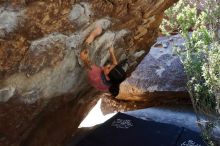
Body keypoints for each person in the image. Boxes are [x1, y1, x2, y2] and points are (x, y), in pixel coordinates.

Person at [80, 26, 127, 96]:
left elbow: (83, 55)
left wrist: (93, 34)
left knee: (87, 55)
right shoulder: (113, 80)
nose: (108, 64)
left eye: (109, 67)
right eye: (111, 65)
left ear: (107, 75)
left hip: (94, 76)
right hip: (102, 85)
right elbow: (115, 65)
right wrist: (112, 52)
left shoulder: (94, 72)